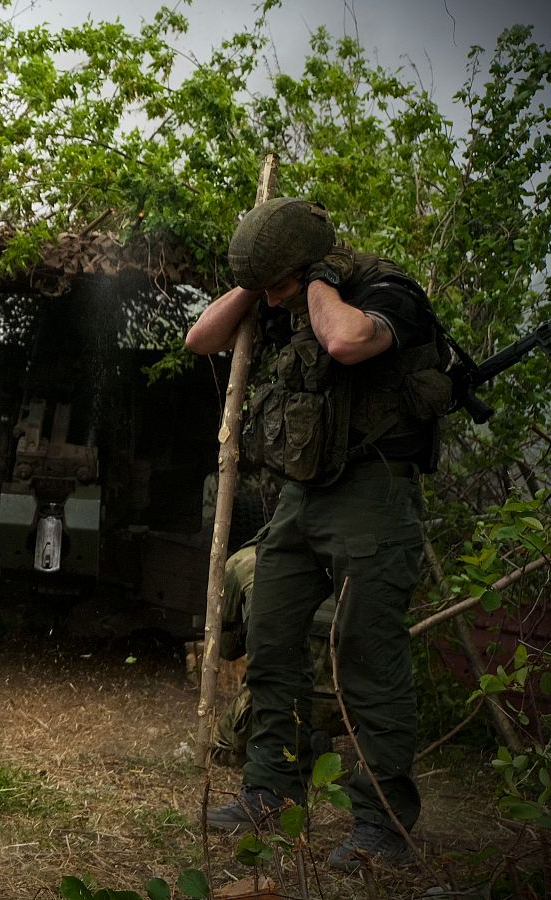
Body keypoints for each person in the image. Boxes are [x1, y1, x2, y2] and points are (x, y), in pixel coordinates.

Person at [185, 198, 451, 871]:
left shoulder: (387, 292)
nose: (272, 302)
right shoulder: (284, 295)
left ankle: (382, 825)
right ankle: (269, 792)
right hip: (303, 498)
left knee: (367, 658)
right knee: (270, 638)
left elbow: (345, 342)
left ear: (311, 267)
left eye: (279, 284)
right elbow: (202, 340)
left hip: (374, 491)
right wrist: (255, 284)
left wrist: (319, 284)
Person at [211, 544, 340, 770]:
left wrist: (248, 628)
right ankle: (312, 739)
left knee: (220, 747)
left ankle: (293, 750)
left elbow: (227, 649)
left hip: (283, 698)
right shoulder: (335, 558)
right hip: (341, 704)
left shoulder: (243, 560)